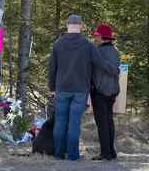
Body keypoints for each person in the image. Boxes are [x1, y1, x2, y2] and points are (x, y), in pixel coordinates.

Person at [48, 14, 119, 161]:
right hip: (80, 90)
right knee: (74, 121)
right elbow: (100, 63)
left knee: (60, 121)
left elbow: (52, 68)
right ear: (80, 26)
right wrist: (114, 70)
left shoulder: (58, 44)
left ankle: (59, 154)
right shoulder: (88, 45)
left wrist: (52, 87)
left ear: (67, 25)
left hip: (62, 88)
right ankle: (73, 155)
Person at [91, 23, 120, 161]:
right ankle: (111, 151)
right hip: (112, 91)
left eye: (96, 35)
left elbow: (109, 70)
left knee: (102, 123)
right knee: (109, 121)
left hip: (101, 91)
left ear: (102, 37)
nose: (95, 37)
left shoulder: (99, 52)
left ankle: (105, 153)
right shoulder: (114, 51)